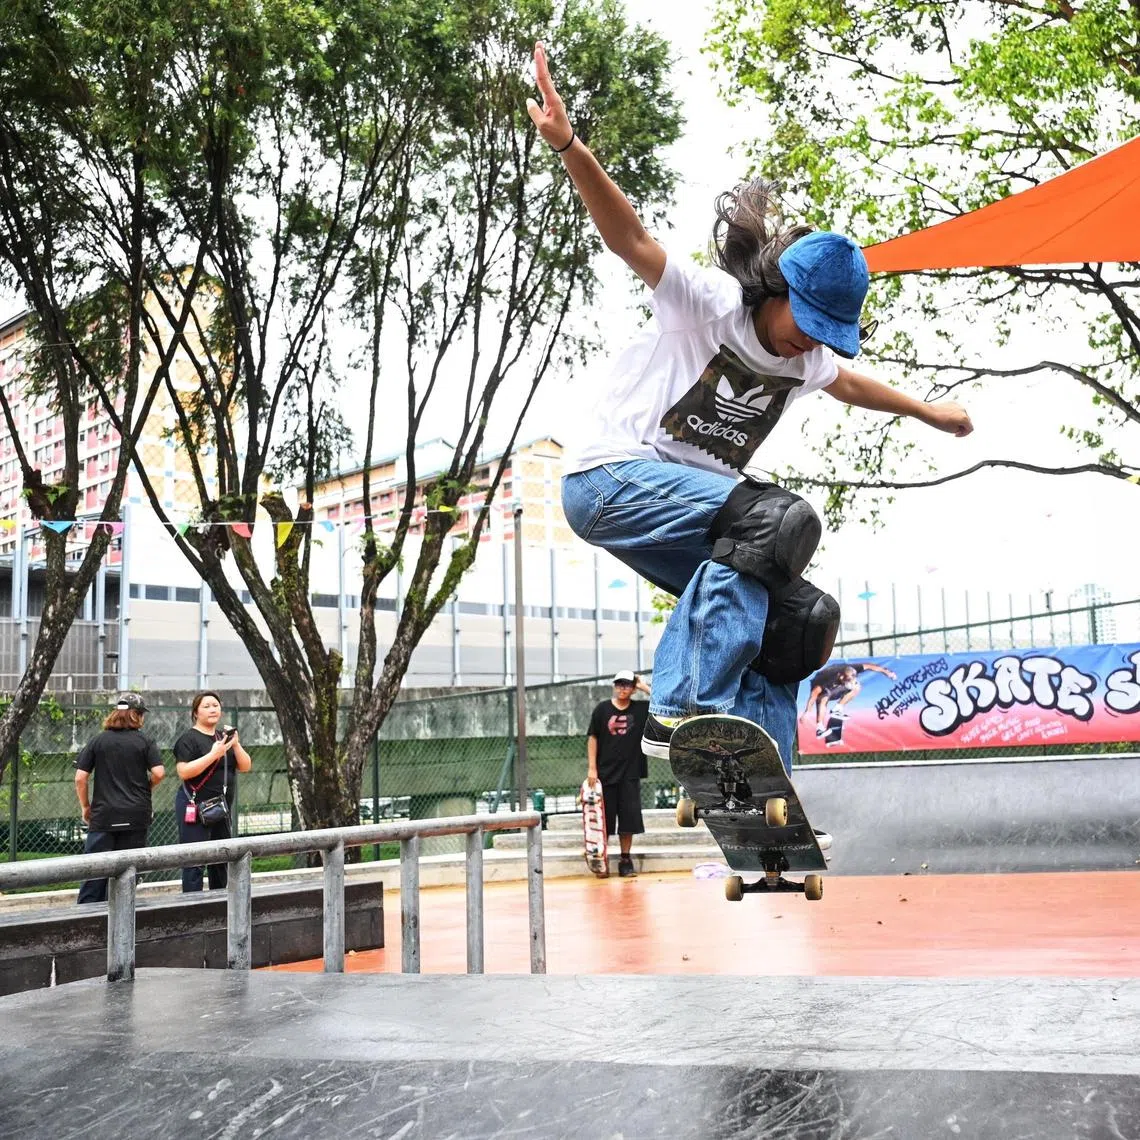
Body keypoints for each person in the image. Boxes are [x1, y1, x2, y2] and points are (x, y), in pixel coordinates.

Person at [527, 44, 972, 834]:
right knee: (777, 520)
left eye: (830, 336)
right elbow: (629, 239)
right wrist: (570, 146)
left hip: (690, 519)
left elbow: (854, 384)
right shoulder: (710, 303)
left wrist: (924, 410)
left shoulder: (811, 362)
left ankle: (759, 797)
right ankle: (692, 708)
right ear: (780, 291)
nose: (812, 346)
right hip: (609, 480)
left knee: (800, 616)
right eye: (810, 325)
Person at [73, 692, 164, 904]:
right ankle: (123, 926)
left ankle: (85, 924)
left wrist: (86, 807)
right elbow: (159, 773)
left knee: (94, 873)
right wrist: (145, 788)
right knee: (127, 875)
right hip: (136, 814)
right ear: (137, 716)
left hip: (104, 815)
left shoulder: (98, 741)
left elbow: (80, 778)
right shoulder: (145, 741)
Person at [173, 690, 252, 892]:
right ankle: (193, 905)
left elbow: (245, 766)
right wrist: (213, 754)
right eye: (206, 706)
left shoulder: (223, 738)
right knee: (194, 860)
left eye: (215, 705)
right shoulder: (188, 739)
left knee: (221, 858)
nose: (212, 709)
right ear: (196, 712)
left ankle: (219, 902)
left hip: (221, 808)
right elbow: (184, 771)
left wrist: (235, 744)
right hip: (196, 807)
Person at [586, 670, 652, 877]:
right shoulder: (602, 709)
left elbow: (662, 704)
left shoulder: (641, 709)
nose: (623, 688)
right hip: (605, 775)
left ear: (633, 688)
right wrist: (592, 768)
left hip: (630, 775)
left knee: (628, 821)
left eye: (628, 685)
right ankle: (601, 860)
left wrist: (644, 686)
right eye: (620, 684)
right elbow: (592, 738)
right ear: (614, 685)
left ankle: (625, 861)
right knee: (603, 821)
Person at [803, 661, 897, 736]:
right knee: (824, 698)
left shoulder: (852, 668)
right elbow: (814, 695)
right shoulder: (827, 679)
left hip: (838, 683)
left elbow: (870, 666)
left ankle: (837, 709)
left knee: (856, 686)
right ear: (841, 676)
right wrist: (807, 712)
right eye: (847, 680)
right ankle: (820, 728)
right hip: (821, 684)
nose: (849, 682)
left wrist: (886, 672)